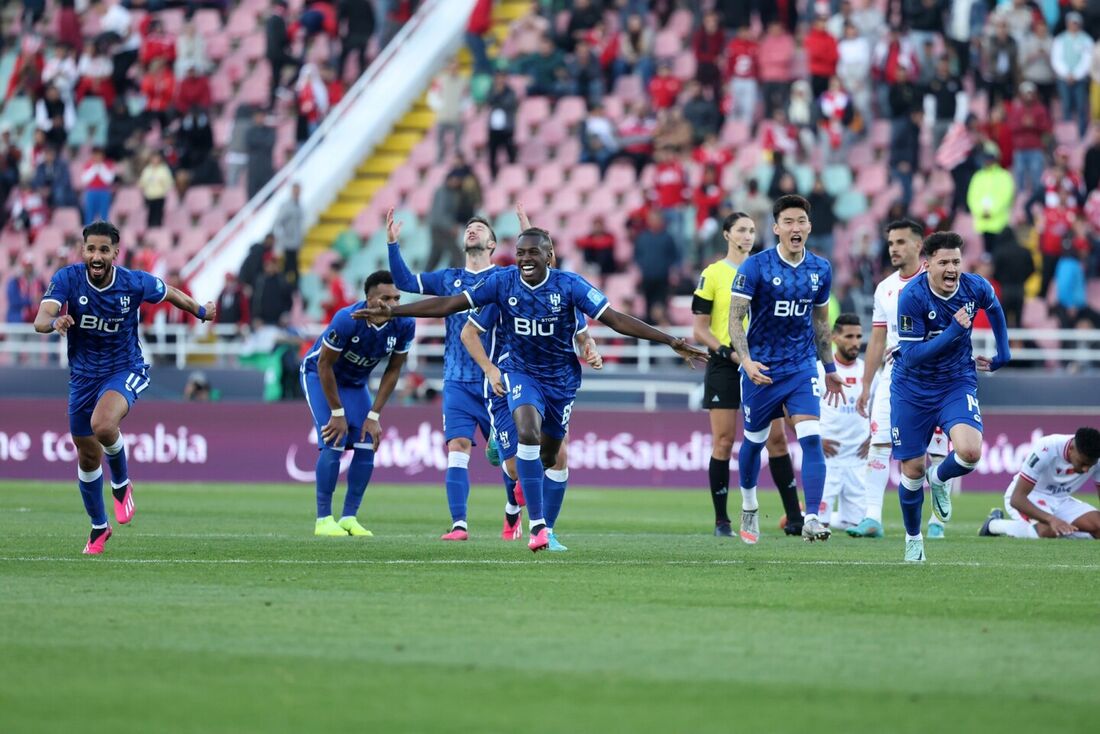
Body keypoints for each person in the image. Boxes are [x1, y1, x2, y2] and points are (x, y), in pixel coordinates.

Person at [360, 228, 706, 552]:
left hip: (561, 380)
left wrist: (670, 340)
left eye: (533, 253)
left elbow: (615, 319)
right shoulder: (502, 283)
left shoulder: (570, 286)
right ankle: (539, 527)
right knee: (527, 431)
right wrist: (394, 312)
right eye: (520, 252)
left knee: (550, 455)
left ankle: (538, 515)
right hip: (518, 371)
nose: (525, 258)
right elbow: (449, 305)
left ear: (549, 256)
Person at [32, 221, 217, 554]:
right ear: (83, 250)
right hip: (82, 378)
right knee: (87, 457)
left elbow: (171, 293)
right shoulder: (68, 279)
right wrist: (54, 322)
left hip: (124, 368)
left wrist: (201, 311)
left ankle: (120, 483)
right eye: (91, 249)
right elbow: (40, 319)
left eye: (104, 250)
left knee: (103, 425)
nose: (97, 256)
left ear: (116, 252)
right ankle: (99, 528)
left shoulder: (133, 283)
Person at [728, 194, 845, 544]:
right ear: (776, 228)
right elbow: (735, 319)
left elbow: (821, 324)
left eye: (802, 222)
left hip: (800, 367)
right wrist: (746, 361)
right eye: (789, 222)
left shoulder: (820, 269)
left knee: (810, 438)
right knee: (754, 442)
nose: (796, 228)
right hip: (761, 368)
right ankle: (749, 504)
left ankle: (812, 517)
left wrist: (829, 366)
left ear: (809, 227)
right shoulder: (756, 267)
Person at [891, 231, 1012, 562]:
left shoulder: (974, 287)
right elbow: (913, 356)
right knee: (912, 470)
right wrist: (954, 331)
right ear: (927, 264)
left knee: (970, 453)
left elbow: (996, 309)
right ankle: (913, 538)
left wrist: (1004, 353)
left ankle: (940, 478)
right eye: (944, 262)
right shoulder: (912, 297)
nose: (951, 269)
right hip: (912, 388)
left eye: (956, 261)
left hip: (956, 382)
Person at [386, 208, 506, 540]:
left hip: (494, 380)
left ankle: (513, 512)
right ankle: (459, 524)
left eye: (480, 228)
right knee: (457, 446)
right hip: (455, 380)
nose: (473, 230)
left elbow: (539, 272)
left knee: (507, 458)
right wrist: (393, 244)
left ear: (492, 243)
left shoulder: (504, 279)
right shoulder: (449, 278)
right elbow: (406, 283)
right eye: (469, 227)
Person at [691, 212, 806, 538]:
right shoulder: (713, 273)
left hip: (763, 363)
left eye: (752, 230)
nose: (747, 235)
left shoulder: (767, 269)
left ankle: (794, 517)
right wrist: (727, 352)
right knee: (724, 441)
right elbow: (699, 328)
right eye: (741, 230)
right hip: (726, 364)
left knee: (777, 439)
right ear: (727, 234)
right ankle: (722, 521)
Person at [849, 219, 950, 540]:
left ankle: (937, 520)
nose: (894, 248)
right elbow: (878, 340)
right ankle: (871, 518)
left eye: (901, 242)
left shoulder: (939, 280)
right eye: (891, 243)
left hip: (933, 376)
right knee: (879, 443)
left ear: (919, 246)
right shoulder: (885, 288)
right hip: (893, 376)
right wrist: (867, 384)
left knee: (933, 453)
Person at [299, 270, 413, 537]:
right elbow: (324, 364)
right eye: (386, 298)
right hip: (320, 376)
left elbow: (393, 370)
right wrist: (337, 413)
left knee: (366, 443)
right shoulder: (347, 319)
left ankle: (349, 517)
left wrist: (374, 415)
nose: (393, 304)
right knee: (334, 439)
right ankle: (323, 520)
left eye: (397, 298)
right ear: (369, 299)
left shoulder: (404, 323)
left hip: (356, 383)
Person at [979, 427, 1100, 539]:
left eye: (1091, 465)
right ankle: (993, 525)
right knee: (1047, 530)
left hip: (1061, 500)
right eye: (1083, 463)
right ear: (1071, 449)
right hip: (1030, 496)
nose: (1086, 469)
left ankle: (1059, 530)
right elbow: (1017, 499)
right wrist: (1052, 520)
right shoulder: (1047, 447)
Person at [817, 313, 870, 531]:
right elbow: (791, 410)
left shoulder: (869, 371)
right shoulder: (820, 370)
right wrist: (815, 441)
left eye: (858, 336)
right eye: (849, 336)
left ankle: (800, 513)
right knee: (820, 522)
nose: (855, 342)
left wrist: (875, 438)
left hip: (858, 456)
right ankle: (804, 515)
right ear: (834, 338)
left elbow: (884, 407)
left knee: (856, 524)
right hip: (827, 455)